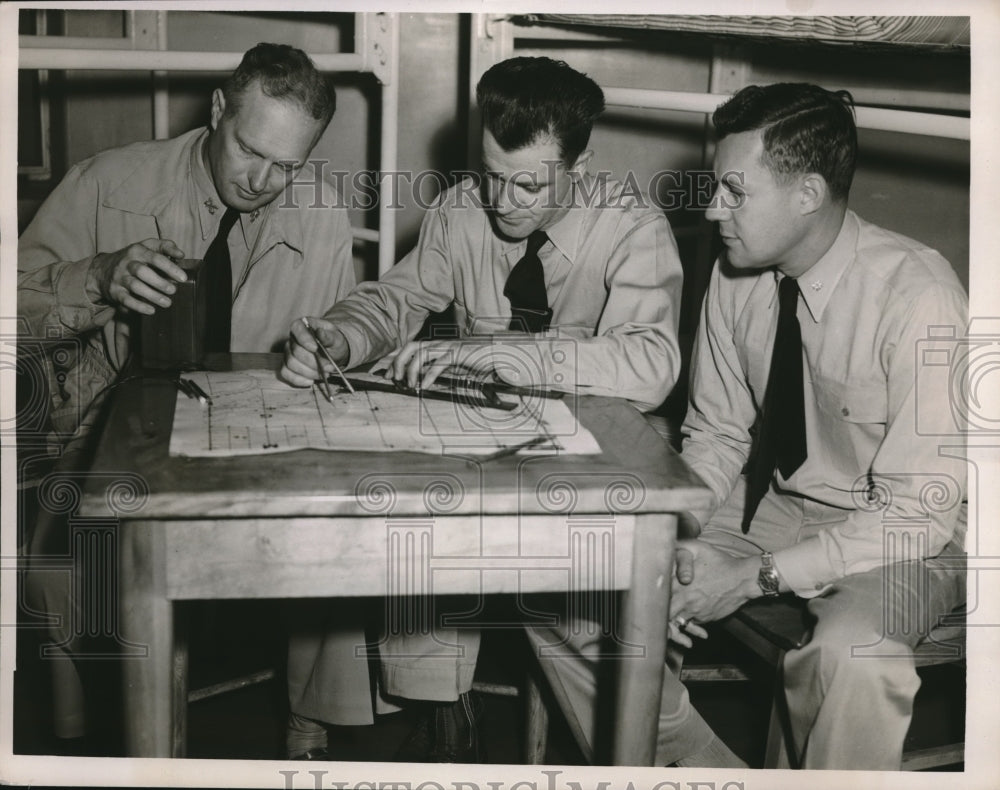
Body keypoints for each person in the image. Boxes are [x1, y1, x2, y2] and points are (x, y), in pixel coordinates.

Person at [525, 82, 967, 769]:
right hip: (772, 503)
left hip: (904, 532)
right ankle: (707, 774)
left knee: (852, 659)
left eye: (734, 191)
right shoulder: (737, 275)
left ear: (808, 194)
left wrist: (754, 576)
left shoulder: (920, 294)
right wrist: (672, 537)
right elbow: (718, 435)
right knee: (568, 591)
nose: (711, 208)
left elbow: (921, 513)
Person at [279, 56, 684, 761]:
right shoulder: (460, 210)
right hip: (484, 447)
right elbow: (399, 300)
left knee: (556, 595)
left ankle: (643, 756)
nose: (502, 199)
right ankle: (436, 711)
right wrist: (343, 337)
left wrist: (522, 356)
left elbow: (652, 366)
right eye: (491, 173)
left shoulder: (632, 226)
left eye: (528, 183)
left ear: (579, 168)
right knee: (400, 512)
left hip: (588, 462)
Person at [17, 42, 356, 752]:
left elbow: (330, 342)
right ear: (216, 111)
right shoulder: (109, 182)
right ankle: (116, 741)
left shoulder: (320, 211)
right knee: (86, 559)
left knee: (344, 533)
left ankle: (308, 725)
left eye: (287, 166)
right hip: (116, 429)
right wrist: (99, 277)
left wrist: (323, 349)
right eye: (250, 150)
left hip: (260, 431)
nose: (265, 180)